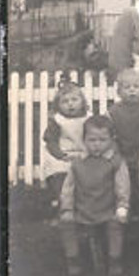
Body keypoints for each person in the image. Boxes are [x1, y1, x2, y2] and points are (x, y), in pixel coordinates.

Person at [58, 115, 130, 276]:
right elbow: (68, 188)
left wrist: (122, 206)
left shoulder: (116, 162)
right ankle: (73, 258)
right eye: (92, 140)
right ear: (84, 140)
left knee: (115, 223)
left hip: (108, 206)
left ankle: (114, 259)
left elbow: (123, 186)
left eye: (102, 140)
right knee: (66, 222)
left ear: (111, 140)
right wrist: (67, 209)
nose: (97, 144)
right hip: (83, 207)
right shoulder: (78, 163)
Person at [108, 68, 139, 215]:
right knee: (123, 182)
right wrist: (116, 153)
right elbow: (110, 134)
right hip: (122, 152)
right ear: (119, 92)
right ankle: (124, 208)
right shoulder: (114, 111)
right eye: (127, 87)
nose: (132, 90)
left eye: (136, 87)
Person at [41, 81, 89, 215]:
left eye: (74, 99)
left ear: (82, 101)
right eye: (65, 101)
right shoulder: (58, 120)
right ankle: (62, 202)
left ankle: (83, 203)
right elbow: (51, 140)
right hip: (62, 155)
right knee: (58, 172)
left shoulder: (88, 118)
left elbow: (93, 137)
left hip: (83, 153)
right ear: (58, 105)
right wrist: (60, 155)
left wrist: (88, 153)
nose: (70, 104)